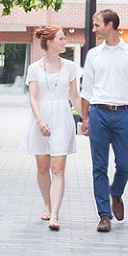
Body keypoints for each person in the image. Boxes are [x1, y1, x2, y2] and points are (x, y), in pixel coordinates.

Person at [79, 9, 128, 233]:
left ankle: (116, 193)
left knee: (126, 165)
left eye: (97, 25)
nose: (94, 29)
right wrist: (84, 118)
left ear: (110, 25)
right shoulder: (94, 55)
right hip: (98, 113)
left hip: (123, 114)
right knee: (99, 166)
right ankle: (104, 215)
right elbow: (86, 89)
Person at [23, 25, 84, 231]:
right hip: (40, 117)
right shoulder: (34, 68)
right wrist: (40, 121)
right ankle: (47, 204)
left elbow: (74, 96)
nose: (64, 41)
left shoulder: (71, 67)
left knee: (57, 169)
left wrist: (86, 118)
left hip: (62, 117)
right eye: (61, 38)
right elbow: (33, 97)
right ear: (49, 42)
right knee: (42, 168)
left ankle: (55, 214)